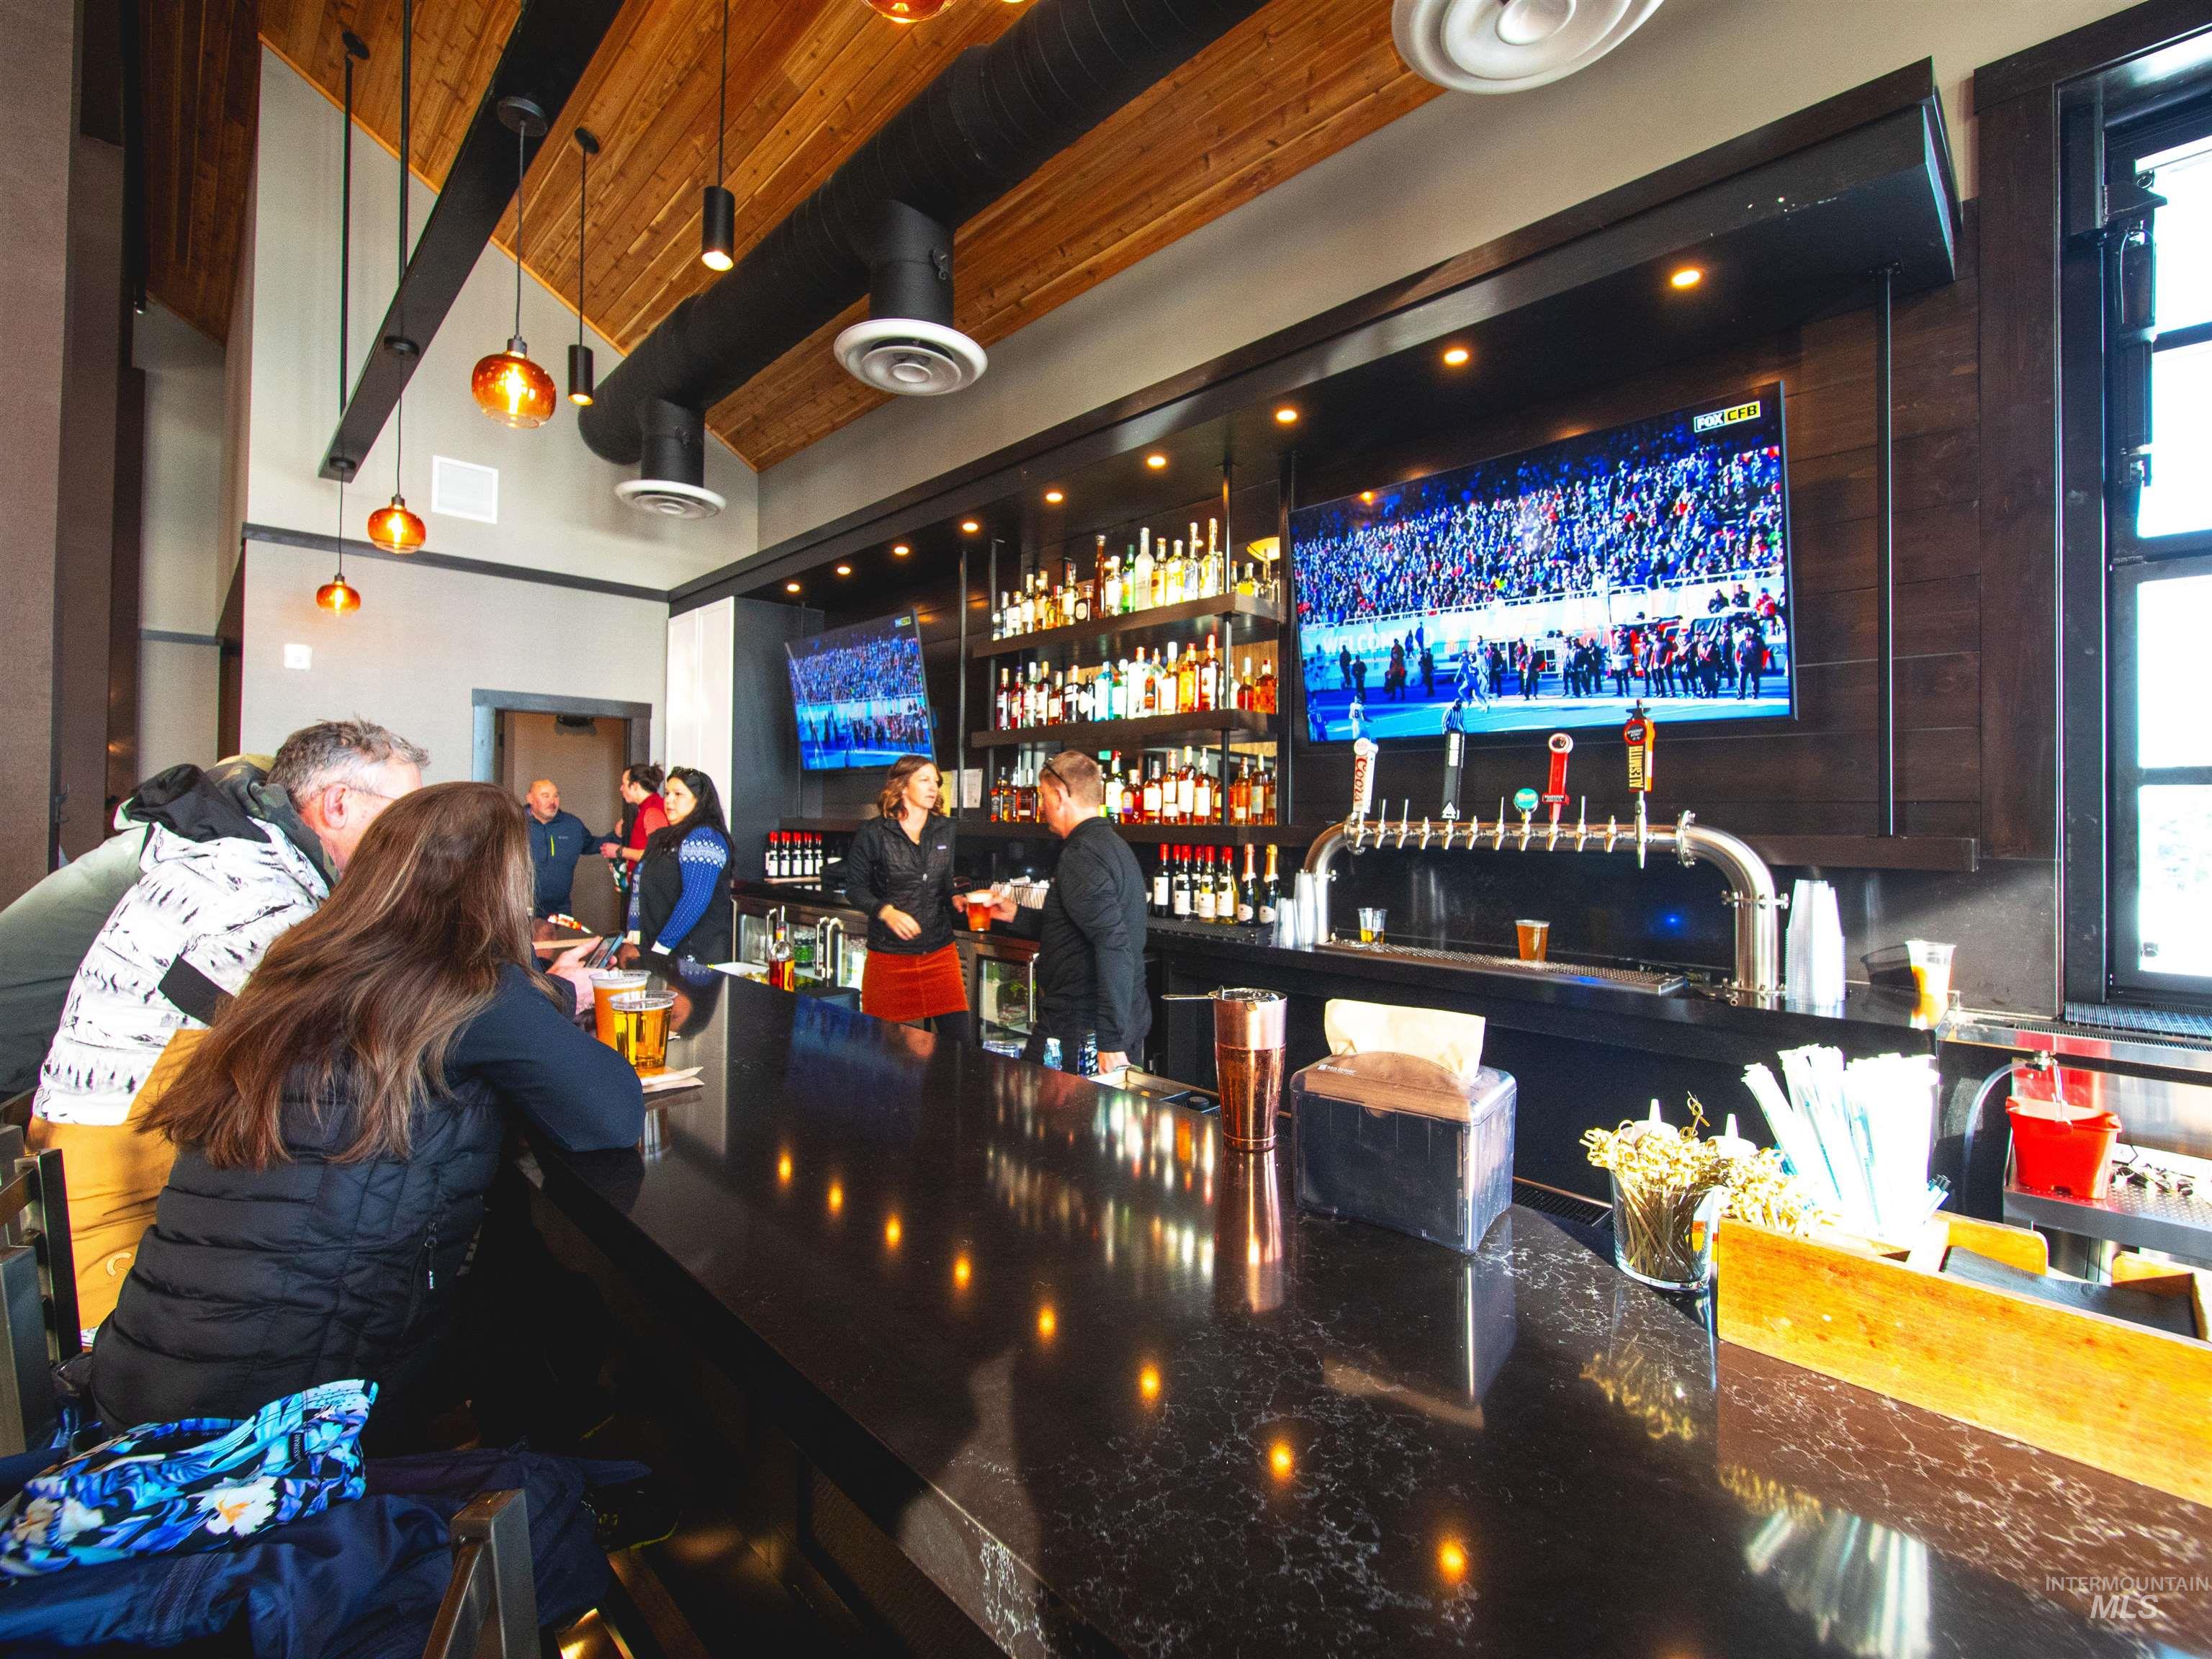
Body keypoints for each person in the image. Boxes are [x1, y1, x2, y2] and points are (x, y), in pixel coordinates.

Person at [89, 781, 644, 1441]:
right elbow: (610, 1113)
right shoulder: (469, 989)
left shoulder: (293, 968)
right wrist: (537, 989)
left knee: (509, 1265)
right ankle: (526, 1497)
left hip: (144, 1375)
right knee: (555, 1302)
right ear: (500, 886)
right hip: (287, 1413)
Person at [37, 721, 427, 1129]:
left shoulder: (249, 856)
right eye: (406, 813)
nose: (416, 835)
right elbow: (318, 1053)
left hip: (118, 1128)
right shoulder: (257, 893)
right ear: (338, 804)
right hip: (126, 1158)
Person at [985, 752, 1148, 1078]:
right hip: (1100, 1018)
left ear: (1059, 796)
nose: (1042, 807)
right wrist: (1015, 914)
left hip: (1078, 1024)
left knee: (1041, 1118)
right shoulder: (1113, 845)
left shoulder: (1081, 854)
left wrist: (1109, 1040)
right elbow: (1076, 928)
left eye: (1044, 797)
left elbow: (1113, 943)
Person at [843, 756, 971, 1043]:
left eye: (936, 781)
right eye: (924, 780)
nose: (934, 787)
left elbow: (945, 882)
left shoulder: (945, 829)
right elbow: (854, 888)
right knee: (885, 1052)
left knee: (960, 1047)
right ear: (902, 787)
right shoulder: (874, 833)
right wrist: (885, 912)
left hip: (939, 954)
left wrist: (957, 898)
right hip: (890, 959)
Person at [629, 767, 733, 964]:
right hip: (658, 952)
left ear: (699, 800)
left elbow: (695, 899)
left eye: (678, 794)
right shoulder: (661, 837)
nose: (668, 800)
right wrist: (634, 931)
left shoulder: (705, 837)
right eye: (667, 793)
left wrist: (661, 947)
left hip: (693, 958)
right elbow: (639, 882)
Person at [523, 778, 597, 920]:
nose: (552, 801)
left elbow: (591, 845)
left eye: (556, 796)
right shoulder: (514, 823)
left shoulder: (572, 825)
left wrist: (616, 836)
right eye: (546, 796)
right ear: (530, 798)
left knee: (557, 939)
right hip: (521, 910)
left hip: (559, 912)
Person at [597, 763, 668, 896]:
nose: (620, 788)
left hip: (651, 890)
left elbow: (655, 855)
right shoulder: (644, 809)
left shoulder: (652, 811)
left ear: (635, 786)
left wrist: (619, 851)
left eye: (624, 784)